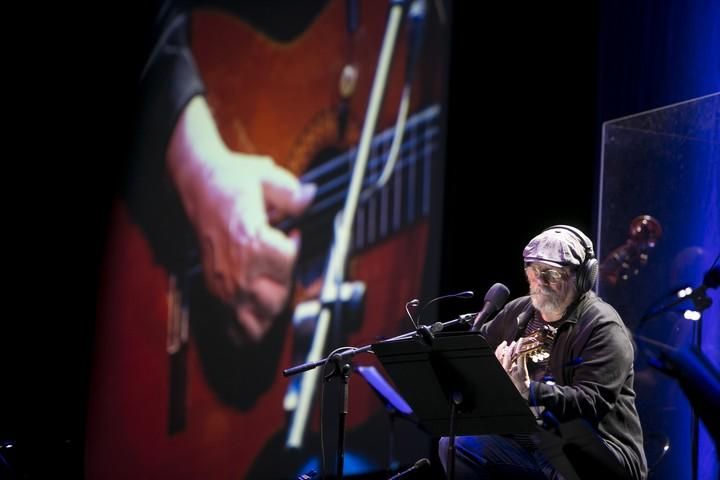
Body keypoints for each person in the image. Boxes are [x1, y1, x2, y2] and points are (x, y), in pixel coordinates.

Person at [438, 225, 648, 480]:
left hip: (595, 450)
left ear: (581, 277)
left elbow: (590, 402)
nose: (539, 281)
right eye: (533, 270)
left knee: (564, 456)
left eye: (551, 274)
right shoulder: (518, 312)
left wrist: (531, 391)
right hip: (533, 441)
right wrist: (487, 372)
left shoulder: (602, 326)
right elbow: (475, 361)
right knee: (457, 446)